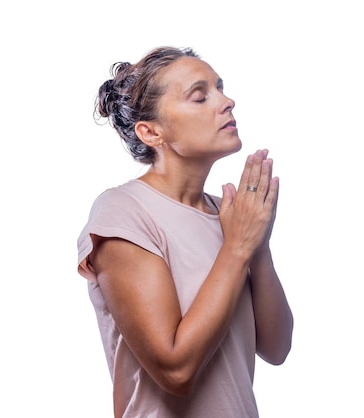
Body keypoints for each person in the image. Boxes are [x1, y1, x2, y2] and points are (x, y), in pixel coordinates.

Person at [76, 46, 294, 418]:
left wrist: (258, 247)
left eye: (221, 88)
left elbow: (276, 348)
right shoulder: (124, 212)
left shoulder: (227, 217)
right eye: (200, 96)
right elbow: (175, 371)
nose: (228, 102)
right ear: (152, 132)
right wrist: (238, 247)